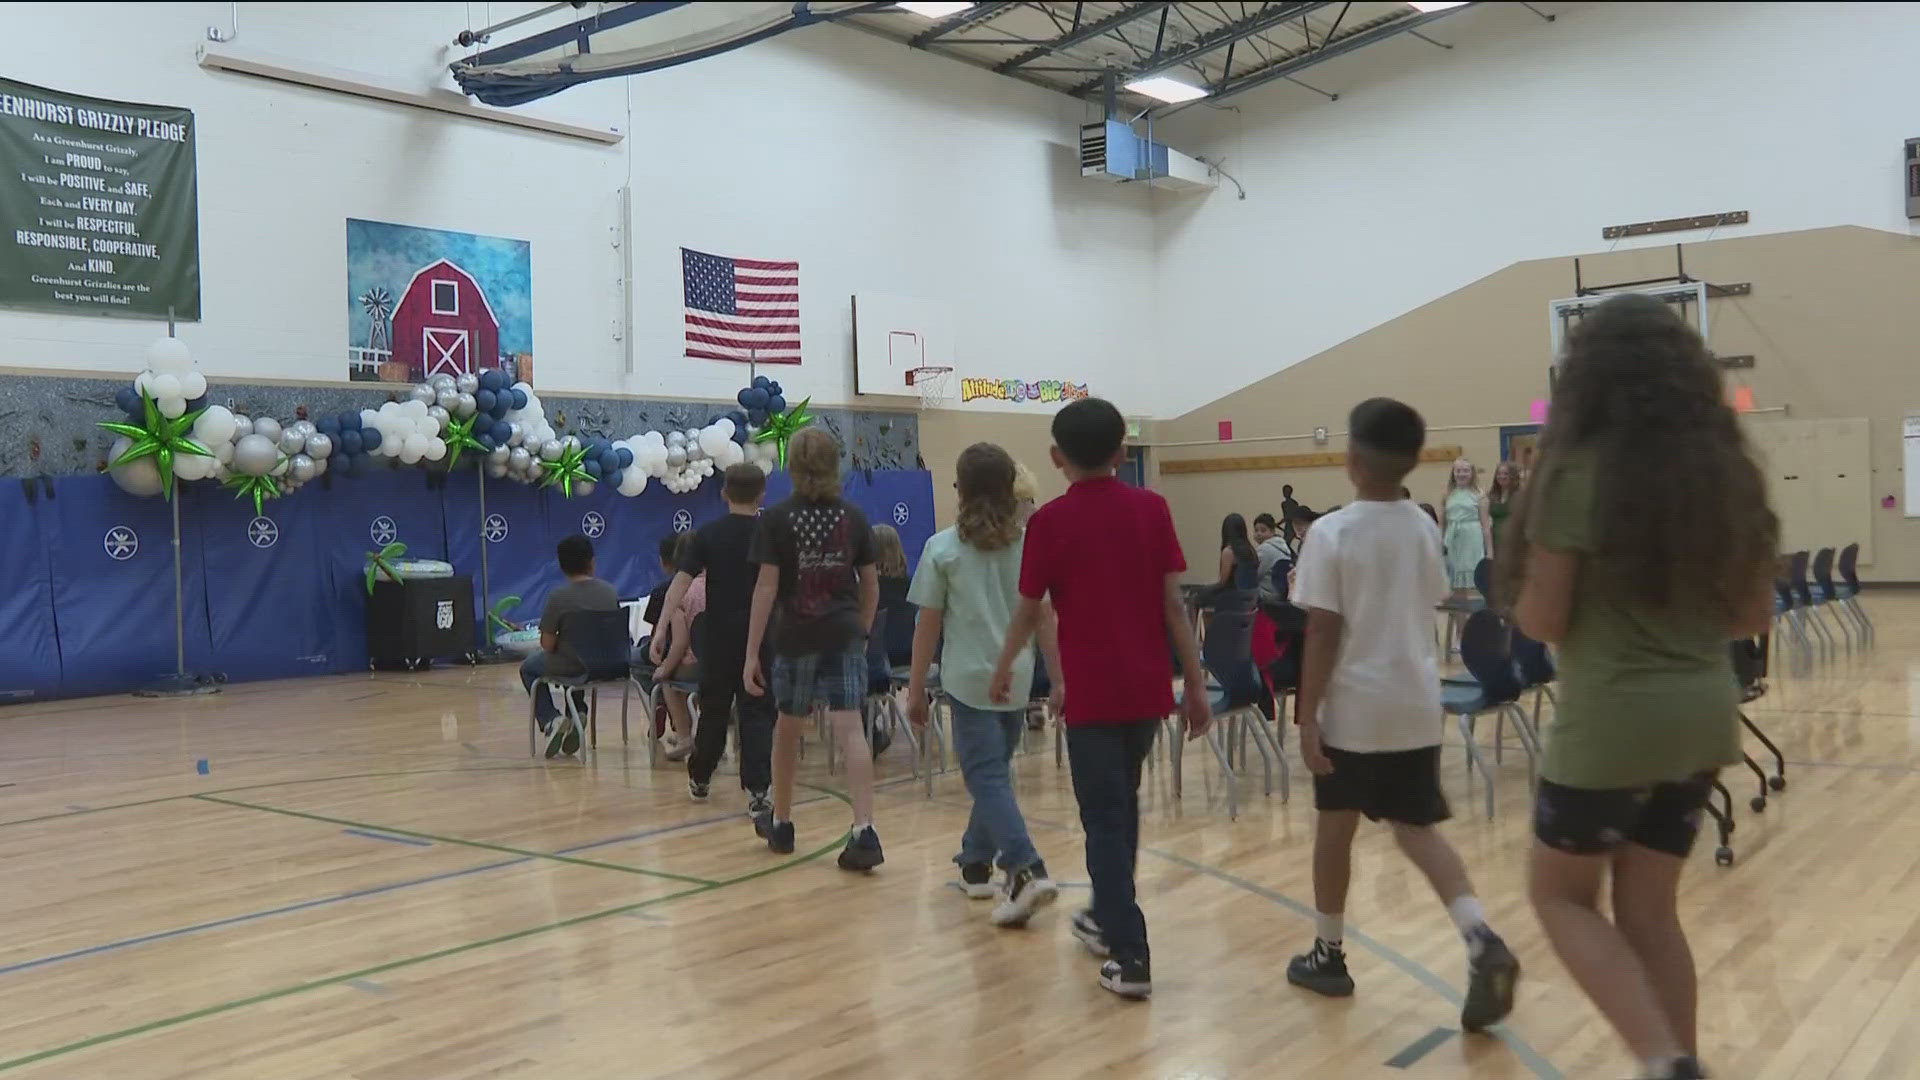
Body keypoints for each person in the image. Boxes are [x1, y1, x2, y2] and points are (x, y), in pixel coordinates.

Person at [1499, 294, 1776, 1080]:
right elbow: (1751, 612)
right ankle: (1677, 1061)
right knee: (1651, 911)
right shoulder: (1727, 475)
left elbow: (1545, 620)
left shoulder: (1574, 475)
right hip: (1702, 720)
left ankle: (1663, 1059)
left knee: (1560, 899)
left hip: (1609, 726)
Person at [1286, 398, 1519, 1034]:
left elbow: (1322, 633)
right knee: (1418, 828)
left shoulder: (1332, 532)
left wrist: (1308, 718)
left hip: (1354, 708)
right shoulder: (1423, 525)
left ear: (1352, 459)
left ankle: (1328, 954)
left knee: (1334, 829)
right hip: (1415, 702)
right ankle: (1478, 936)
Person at [991, 396, 1212, 1000]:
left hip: (1093, 696)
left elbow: (1030, 608)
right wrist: (1194, 684)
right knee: (1123, 808)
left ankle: (1131, 950)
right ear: (1121, 452)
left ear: (1057, 458)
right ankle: (1105, 915)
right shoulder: (1153, 508)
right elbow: (1175, 607)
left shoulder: (1050, 522)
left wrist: (1006, 665)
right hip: (1147, 692)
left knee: (1106, 819)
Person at [908, 442, 1065, 927]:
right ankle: (975, 865)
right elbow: (1044, 618)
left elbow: (927, 626)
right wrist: (1058, 678)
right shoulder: (1029, 546)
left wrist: (915, 687)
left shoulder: (942, 548)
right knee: (993, 773)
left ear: (962, 490)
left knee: (987, 777)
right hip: (1016, 679)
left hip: (967, 681)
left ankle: (1025, 866)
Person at [745, 426, 883, 870]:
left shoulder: (777, 519)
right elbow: (872, 586)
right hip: (842, 633)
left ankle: (782, 822)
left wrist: (751, 652)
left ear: (793, 467)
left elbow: (766, 588)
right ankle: (864, 829)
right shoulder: (855, 517)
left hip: (794, 636)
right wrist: (859, 630)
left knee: (787, 728)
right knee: (850, 729)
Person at [652, 463, 776, 816]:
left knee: (714, 711)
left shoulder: (708, 534)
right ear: (762, 495)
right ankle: (757, 790)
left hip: (718, 638)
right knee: (755, 714)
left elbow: (680, 583)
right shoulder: (771, 533)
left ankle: (701, 777)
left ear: (724, 494)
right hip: (762, 637)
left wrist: (661, 627)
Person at [519, 533, 621, 760]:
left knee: (530, 668)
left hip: (575, 666)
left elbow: (547, 644)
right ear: (592, 562)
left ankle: (550, 720)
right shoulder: (610, 591)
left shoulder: (558, 597)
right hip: (613, 663)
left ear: (562, 566)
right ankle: (578, 712)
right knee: (575, 656)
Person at [1441, 458, 1492, 594]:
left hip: (1472, 539)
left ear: (1472, 473)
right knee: (1454, 579)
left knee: (1473, 577)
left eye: (1465, 471)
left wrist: (1490, 552)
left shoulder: (1479, 495)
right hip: (1453, 539)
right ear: (1453, 473)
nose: (1461, 474)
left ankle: (1473, 612)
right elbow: (1443, 523)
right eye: (1458, 471)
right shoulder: (1448, 494)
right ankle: (1457, 614)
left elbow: (1486, 526)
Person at [1253, 512, 1291, 605]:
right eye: (1256, 530)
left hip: (1266, 593)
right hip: (1280, 593)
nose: (1258, 534)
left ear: (1272, 531)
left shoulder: (1265, 549)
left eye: (1263, 530)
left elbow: (1254, 575)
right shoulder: (1283, 546)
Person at [1488, 460, 1522, 552]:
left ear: (1513, 476)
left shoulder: (1521, 495)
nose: (1502, 476)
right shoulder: (1491, 496)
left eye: (1506, 474)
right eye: (1499, 474)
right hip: (1495, 542)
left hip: (1515, 542)